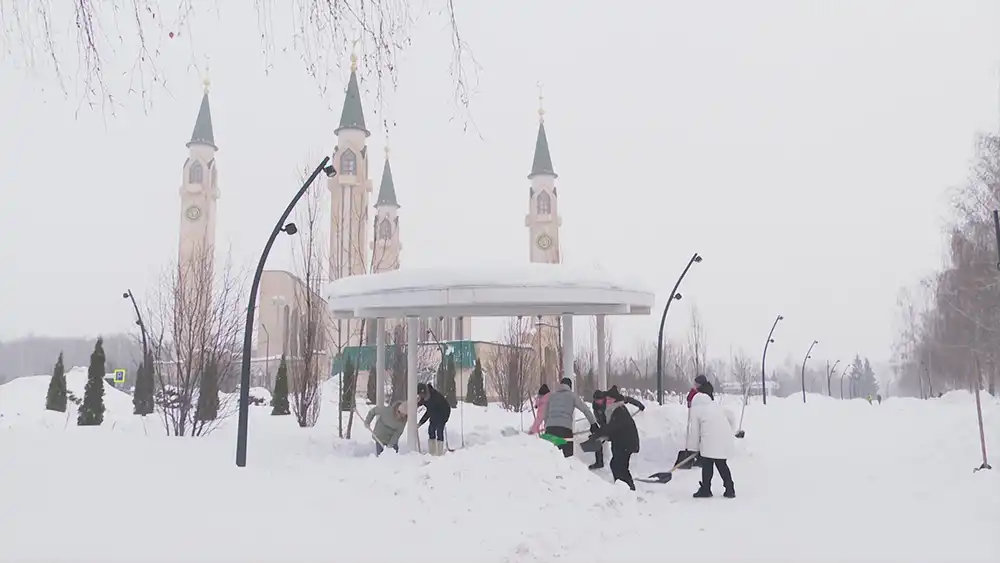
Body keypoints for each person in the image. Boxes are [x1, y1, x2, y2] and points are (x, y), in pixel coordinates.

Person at [687, 387, 737, 498]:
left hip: (710, 441)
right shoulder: (715, 406)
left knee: (707, 464)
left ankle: (706, 489)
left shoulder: (696, 409)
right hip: (724, 438)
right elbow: (731, 416)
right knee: (721, 464)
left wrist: (693, 449)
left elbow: (694, 432)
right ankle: (730, 489)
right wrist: (731, 431)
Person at [590, 388, 643, 490]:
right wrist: (599, 433)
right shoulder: (612, 408)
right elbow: (610, 427)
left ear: (615, 399)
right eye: (607, 399)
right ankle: (624, 488)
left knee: (618, 466)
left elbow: (612, 426)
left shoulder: (618, 410)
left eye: (610, 399)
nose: (607, 401)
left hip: (626, 442)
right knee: (617, 465)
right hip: (620, 441)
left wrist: (598, 434)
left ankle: (627, 488)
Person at [543, 377, 598, 458]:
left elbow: (545, 414)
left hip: (550, 429)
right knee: (567, 458)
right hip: (564, 430)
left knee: (550, 457)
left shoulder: (552, 396)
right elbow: (585, 410)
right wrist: (593, 424)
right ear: (570, 386)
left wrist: (547, 427)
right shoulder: (572, 396)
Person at [417, 382, 451, 456]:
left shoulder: (435, 397)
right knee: (431, 430)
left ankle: (439, 453)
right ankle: (432, 452)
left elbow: (428, 413)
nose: (420, 396)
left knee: (439, 430)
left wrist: (420, 423)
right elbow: (421, 404)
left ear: (424, 392)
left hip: (443, 413)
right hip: (434, 413)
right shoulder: (425, 397)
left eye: (420, 394)